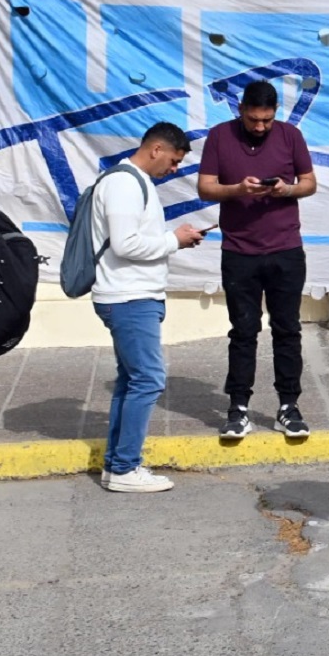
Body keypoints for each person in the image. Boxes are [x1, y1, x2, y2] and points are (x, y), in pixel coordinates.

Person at [197, 80, 317, 441]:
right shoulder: (219, 136)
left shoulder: (291, 136)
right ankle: (238, 408)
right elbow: (205, 187)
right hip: (239, 252)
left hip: (286, 250)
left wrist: (288, 189)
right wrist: (237, 190)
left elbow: (310, 182)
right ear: (240, 110)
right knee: (243, 332)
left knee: (288, 329)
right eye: (253, 120)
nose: (261, 127)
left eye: (267, 120)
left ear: (275, 113)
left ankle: (289, 406)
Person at [92, 122, 205, 494]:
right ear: (156, 149)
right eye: (173, 161)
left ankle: (116, 465)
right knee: (149, 380)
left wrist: (174, 241)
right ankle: (125, 468)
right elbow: (125, 245)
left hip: (133, 296)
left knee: (131, 381)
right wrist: (174, 240)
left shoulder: (131, 182)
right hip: (128, 297)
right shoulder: (125, 183)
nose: (173, 169)